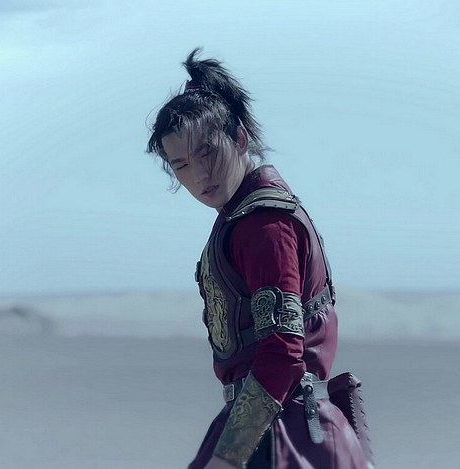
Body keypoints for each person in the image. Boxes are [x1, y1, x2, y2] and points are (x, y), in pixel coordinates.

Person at [147, 48, 373, 469]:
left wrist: (229, 455)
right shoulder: (240, 217)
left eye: (208, 152)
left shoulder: (263, 224)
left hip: (283, 432)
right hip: (274, 420)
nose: (199, 175)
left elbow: (283, 350)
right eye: (181, 164)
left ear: (239, 139)